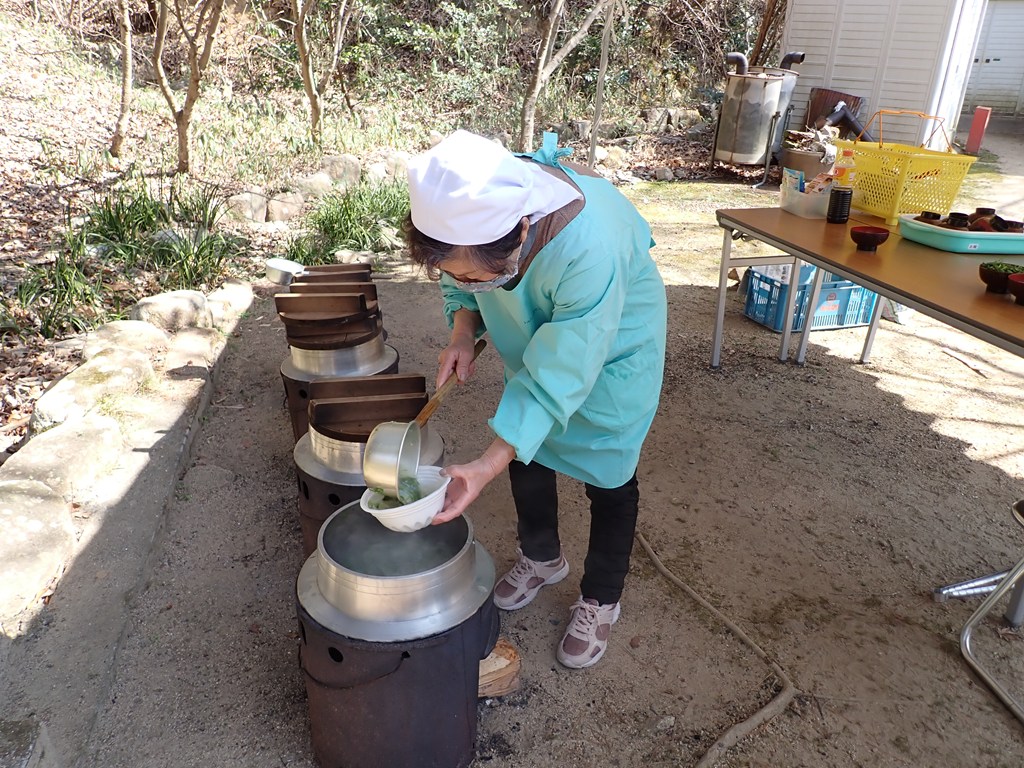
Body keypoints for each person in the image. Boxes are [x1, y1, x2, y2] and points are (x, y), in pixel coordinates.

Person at [404, 129, 666, 669]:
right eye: (454, 272)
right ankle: (542, 557)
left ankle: (601, 598)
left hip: (613, 348)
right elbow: (458, 281)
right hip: (537, 338)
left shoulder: (589, 247)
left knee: (610, 476)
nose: (463, 281)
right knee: (526, 449)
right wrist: (462, 333)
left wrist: (484, 465)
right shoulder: (476, 212)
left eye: (474, 276)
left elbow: (561, 370)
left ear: (521, 230)